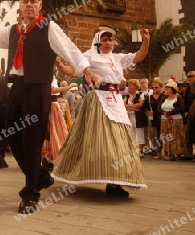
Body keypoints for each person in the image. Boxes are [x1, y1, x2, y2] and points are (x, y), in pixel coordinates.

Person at [0, 0, 100, 214]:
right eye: (25, 2)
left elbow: (70, 50)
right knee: (11, 133)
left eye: (33, 1)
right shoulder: (13, 30)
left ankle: (30, 194)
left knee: (32, 140)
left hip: (38, 88)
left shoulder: (48, 27)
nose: (29, 5)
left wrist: (87, 70)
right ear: (20, 6)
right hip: (17, 87)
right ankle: (39, 175)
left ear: (40, 5)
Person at [53, 27, 150, 197]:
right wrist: (61, 65)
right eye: (104, 40)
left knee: (120, 139)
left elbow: (139, 56)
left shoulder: (118, 58)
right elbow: (74, 69)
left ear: (114, 42)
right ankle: (96, 174)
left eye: (110, 40)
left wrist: (146, 40)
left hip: (116, 100)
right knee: (101, 138)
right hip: (98, 100)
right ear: (98, 42)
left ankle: (115, 181)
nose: (107, 43)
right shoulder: (89, 55)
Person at [158, 79, 186, 161]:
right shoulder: (164, 98)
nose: (166, 90)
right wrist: (165, 113)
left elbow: (181, 107)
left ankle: (178, 154)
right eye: (166, 88)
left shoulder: (178, 97)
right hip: (165, 120)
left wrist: (170, 113)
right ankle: (169, 153)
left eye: (168, 88)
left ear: (172, 89)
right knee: (166, 136)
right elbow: (159, 108)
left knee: (176, 136)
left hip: (176, 120)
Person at [124, 79, 147, 157]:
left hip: (138, 117)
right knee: (132, 134)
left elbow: (140, 105)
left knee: (140, 133)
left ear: (135, 86)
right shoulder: (127, 96)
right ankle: (133, 151)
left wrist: (130, 107)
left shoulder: (140, 94)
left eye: (131, 85)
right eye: (129, 85)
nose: (129, 87)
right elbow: (124, 106)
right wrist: (134, 108)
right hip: (130, 117)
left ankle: (141, 152)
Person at [145, 78, 166, 159]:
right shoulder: (149, 97)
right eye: (153, 87)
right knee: (156, 136)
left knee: (164, 136)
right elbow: (145, 107)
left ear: (161, 87)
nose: (154, 89)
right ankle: (158, 152)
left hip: (163, 118)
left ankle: (166, 151)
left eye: (156, 87)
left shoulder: (164, 96)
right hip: (153, 119)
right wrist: (148, 112)